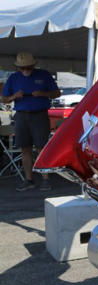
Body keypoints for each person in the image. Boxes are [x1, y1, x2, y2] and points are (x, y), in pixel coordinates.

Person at [0, 52, 60, 191]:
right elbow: (4, 99)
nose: (25, 70)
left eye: (28, 67)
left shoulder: (44, 75)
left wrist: (43, 94)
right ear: (18, 68)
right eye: (22, 68)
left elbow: (57, 93)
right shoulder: (13, 78)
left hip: (39, 115)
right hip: (21, 116)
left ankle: (46, 179)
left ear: (33, 65)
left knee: (41, 147)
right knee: (25, 148)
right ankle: (28, 179)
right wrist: (14, 96)